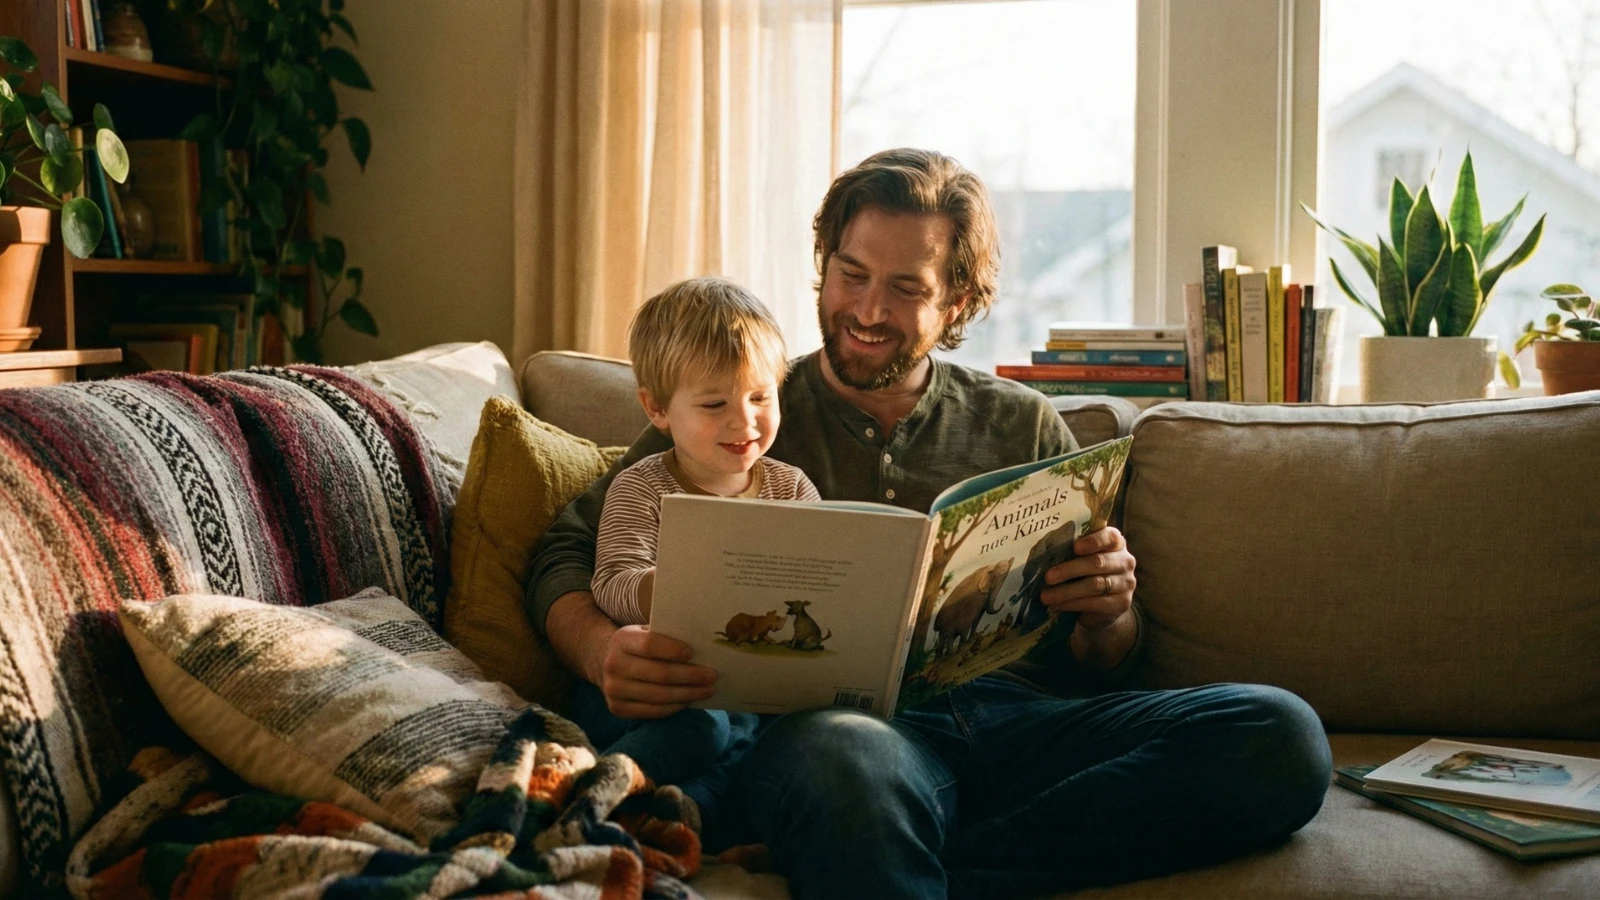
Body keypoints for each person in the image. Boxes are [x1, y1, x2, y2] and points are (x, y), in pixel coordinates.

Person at [527, 148, 1333, 898]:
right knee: (847, 765)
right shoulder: (740, 408)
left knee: (1280, 735)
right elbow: (565, 551)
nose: (868, 310)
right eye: (850, 274)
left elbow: (1106, 661)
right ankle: (896, 839)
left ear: (958, 302)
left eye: (907, 288)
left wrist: (1111, 610)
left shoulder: (1026, 427)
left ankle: (945, 865)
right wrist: (601, 651)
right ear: (823, 269)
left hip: (1020, 724)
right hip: (847, 734)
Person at [578, 276, 820, 834]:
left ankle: (681, 816)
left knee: (762, 738)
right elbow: (612, 582)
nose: (744, 420)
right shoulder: (642, 487)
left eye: (761, 397)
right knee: (709, 727)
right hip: (653, 687)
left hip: (747, 691)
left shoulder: (793, 489)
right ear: (657, 408)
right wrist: (679, 585)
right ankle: (597, 787)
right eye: (715, 403)